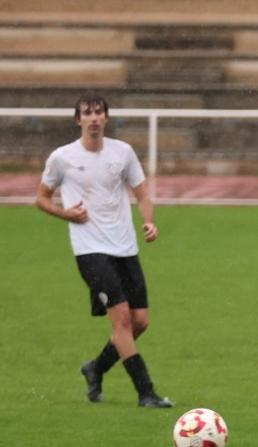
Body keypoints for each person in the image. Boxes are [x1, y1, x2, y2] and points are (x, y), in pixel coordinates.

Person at [35, 92, 173, 409]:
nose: (93, 117)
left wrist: (149, 222)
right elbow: (41, 198)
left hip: (125, 247)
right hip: (90, 250)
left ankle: (95, 368)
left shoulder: (122, 152)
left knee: (141, 321)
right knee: (122, 320)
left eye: (99, 112)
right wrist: (65, 213)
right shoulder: (62, 157)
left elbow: (142, 194)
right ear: (78, 119)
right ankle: (146, 392)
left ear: (106, 118)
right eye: (87, 112)